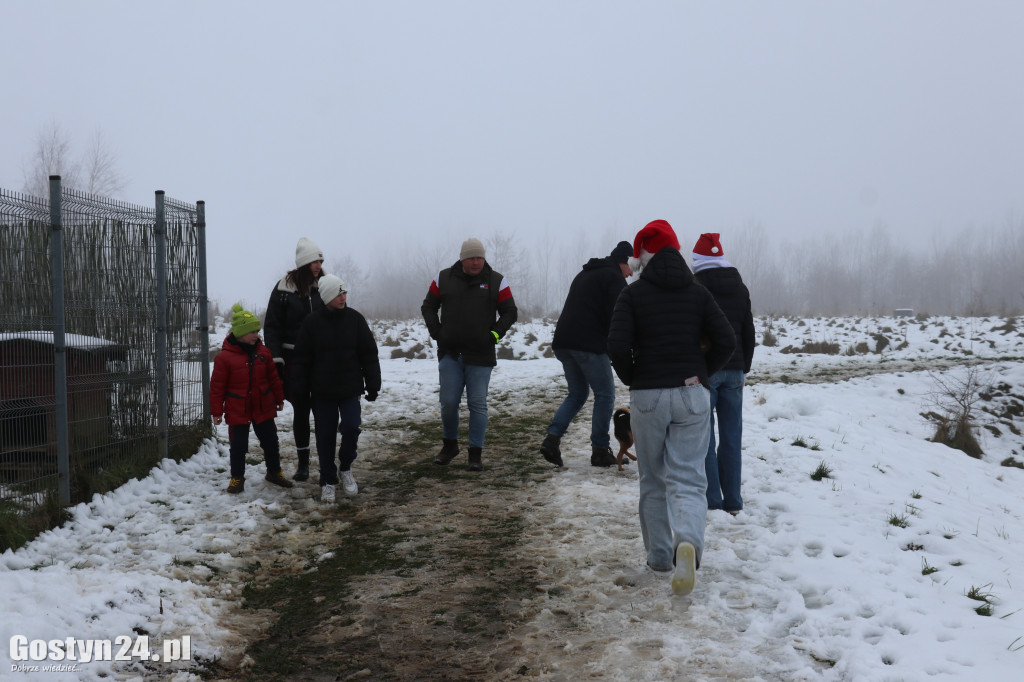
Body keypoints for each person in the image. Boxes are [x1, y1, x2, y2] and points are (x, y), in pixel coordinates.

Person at [607, 219, 736, 596]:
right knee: (689, 478)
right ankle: (688, 546)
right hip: (692, 393)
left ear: (644, 253)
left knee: (653, 478)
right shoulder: (698, 294)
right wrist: (702, 373)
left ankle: (660, 557)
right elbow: (726, 339)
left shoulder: (632, 295)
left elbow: (616, 344)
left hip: (648, 396)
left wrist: (636, 376)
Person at [421, 237, 517, 471]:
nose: (476, 262)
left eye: (480, 258)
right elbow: (428, 306)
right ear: (462, 259)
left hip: (481, 355)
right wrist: (437, 333)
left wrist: (494, 335)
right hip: (450, 354)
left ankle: (475, 453)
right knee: (449, 403)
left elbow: (510, 312)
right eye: (471, 258)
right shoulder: (442, 278)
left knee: (478, 404)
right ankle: (450, 445)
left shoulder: (497, 281)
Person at [540, 241, 634, 468]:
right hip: (588, 344)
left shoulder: (586, 274)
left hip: (564, 341)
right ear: (622, 261)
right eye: (630, 267)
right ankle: (600, 450)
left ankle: (551, 440)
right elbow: (618, 316)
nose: (631, 273)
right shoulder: (613, 278)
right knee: (605, 394)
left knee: (577, 393)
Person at [291, 275, 381, 503]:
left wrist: (373, 383)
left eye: (344, 293)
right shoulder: (312, 323)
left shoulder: (355, 320)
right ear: (327, 297)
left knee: (351, 427)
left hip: (350, 389)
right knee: (325, 437)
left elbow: (368, 354)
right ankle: (328, 480)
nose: (343, 297)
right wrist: (299, 388)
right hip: (322, 393)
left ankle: (346, 467)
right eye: (338, 294)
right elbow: (301, 359)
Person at [692, 233, 755, 516]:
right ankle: (733, 500)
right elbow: (748, 333)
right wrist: (744, 367)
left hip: (707, 370)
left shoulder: (697, 289)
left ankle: (712, 500)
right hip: (735, 371)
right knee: (732, 437)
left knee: (705, 438)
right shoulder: (740, 288)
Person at [210, 303, 293, 494]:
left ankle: (274, 472)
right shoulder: (224, 358)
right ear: (240, 333)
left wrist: (279, 398)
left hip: (263, 406)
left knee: (271, 441)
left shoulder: (263, 353)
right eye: (251, 331)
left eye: (257, 330)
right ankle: (237, 478)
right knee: (238, 446)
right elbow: (217, 387)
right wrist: (217, 411)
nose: (256, 334)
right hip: (237, 408)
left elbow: (273, 378)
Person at [264, 237, 326, 482]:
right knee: (301, 410)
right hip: (294, 359)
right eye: (314, 261)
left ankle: (325, 461)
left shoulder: (326, 286)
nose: (318, 265)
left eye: (320, 260)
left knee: (323, 411)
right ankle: (303, 464)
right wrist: (277, 360)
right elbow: (272, 328)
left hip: (322, 359)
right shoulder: (282, 291)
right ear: (303, 264)